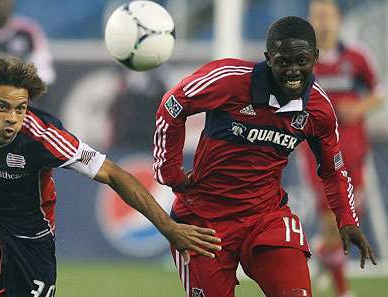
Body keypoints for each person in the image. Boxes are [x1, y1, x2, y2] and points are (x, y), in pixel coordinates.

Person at [0, 51, 221, 297]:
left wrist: (168, 228)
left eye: (21, 108)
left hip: (30, 234)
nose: (13, 118)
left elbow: (113, 173)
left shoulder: (42, 136)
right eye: (3, 107)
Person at [152, 16, 376, 297]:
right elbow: (172, 106)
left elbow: (333, 171)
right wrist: (168, 171)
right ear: (268, 58)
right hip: (203, 221)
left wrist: (347, 219)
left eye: (302, 61)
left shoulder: (318, 109)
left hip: (266, 217)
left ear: (315, 58)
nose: (294, 71)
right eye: (284, 62)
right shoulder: (229, 80)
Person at [305, 1, 384, 296]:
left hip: (354, 151)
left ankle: (324, 252)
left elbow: (379, 92)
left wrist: (359, 107)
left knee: (345, 219)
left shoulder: (356, 56)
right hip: (318, 154)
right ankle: (342, 289)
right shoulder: (303, 59)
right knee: (334, 215)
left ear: (338, 19)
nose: (322, 22)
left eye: (327, 15)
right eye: (317, 16)